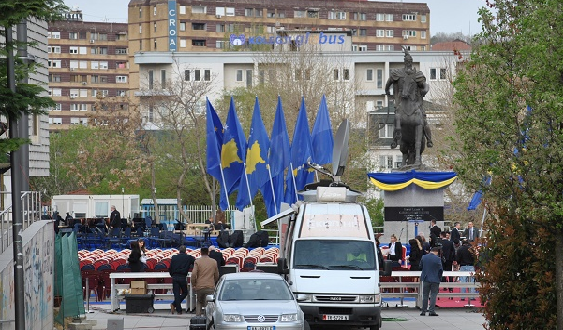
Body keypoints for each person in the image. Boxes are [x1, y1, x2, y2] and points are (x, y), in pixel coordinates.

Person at [385, 48, 433, 149]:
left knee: (423, 120)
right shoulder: (397, 73)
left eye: (410, 61)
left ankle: (429, 139)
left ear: (412, 62)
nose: (408, 62)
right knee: (397, 118)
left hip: (415, 102)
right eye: (407, 61)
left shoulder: (417, 74)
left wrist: (424, 90)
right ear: (404, 62)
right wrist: (387, 92)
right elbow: (388, 83)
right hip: (402, 102)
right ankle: (395, 139)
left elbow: (425, 85)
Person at [191, 246, 219, 317]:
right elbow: (216, 275)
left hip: (200, 286)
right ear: (208, 252)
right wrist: (213, 282)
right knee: (209, 304)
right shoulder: (213, 261)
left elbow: (194, 274)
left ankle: (198, 318)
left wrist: (194, 284)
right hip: (210, 286)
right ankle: (207, 319)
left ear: (200, 253)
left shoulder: (197, 261)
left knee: (199, 302)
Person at [169, 245, 195, 314]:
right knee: (185, 292)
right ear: (185, 251)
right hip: (183, 277)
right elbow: (195, 263)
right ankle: (175, 306)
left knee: (176, 293)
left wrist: (172, 275)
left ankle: (178, 309)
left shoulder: (174, 257)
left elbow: (170, 268)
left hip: (175, 276)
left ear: (179, 251)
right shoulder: (189, 257)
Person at [419, 246, 443, 316]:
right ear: (436, 252)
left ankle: (423, 311)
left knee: (425, 295)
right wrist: (439, 278)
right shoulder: (438, 259)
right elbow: (440, 269)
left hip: (426, 278)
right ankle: (431, 311)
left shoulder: (424, 257)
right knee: (433, 295)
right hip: (435, 279)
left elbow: (420, 266)